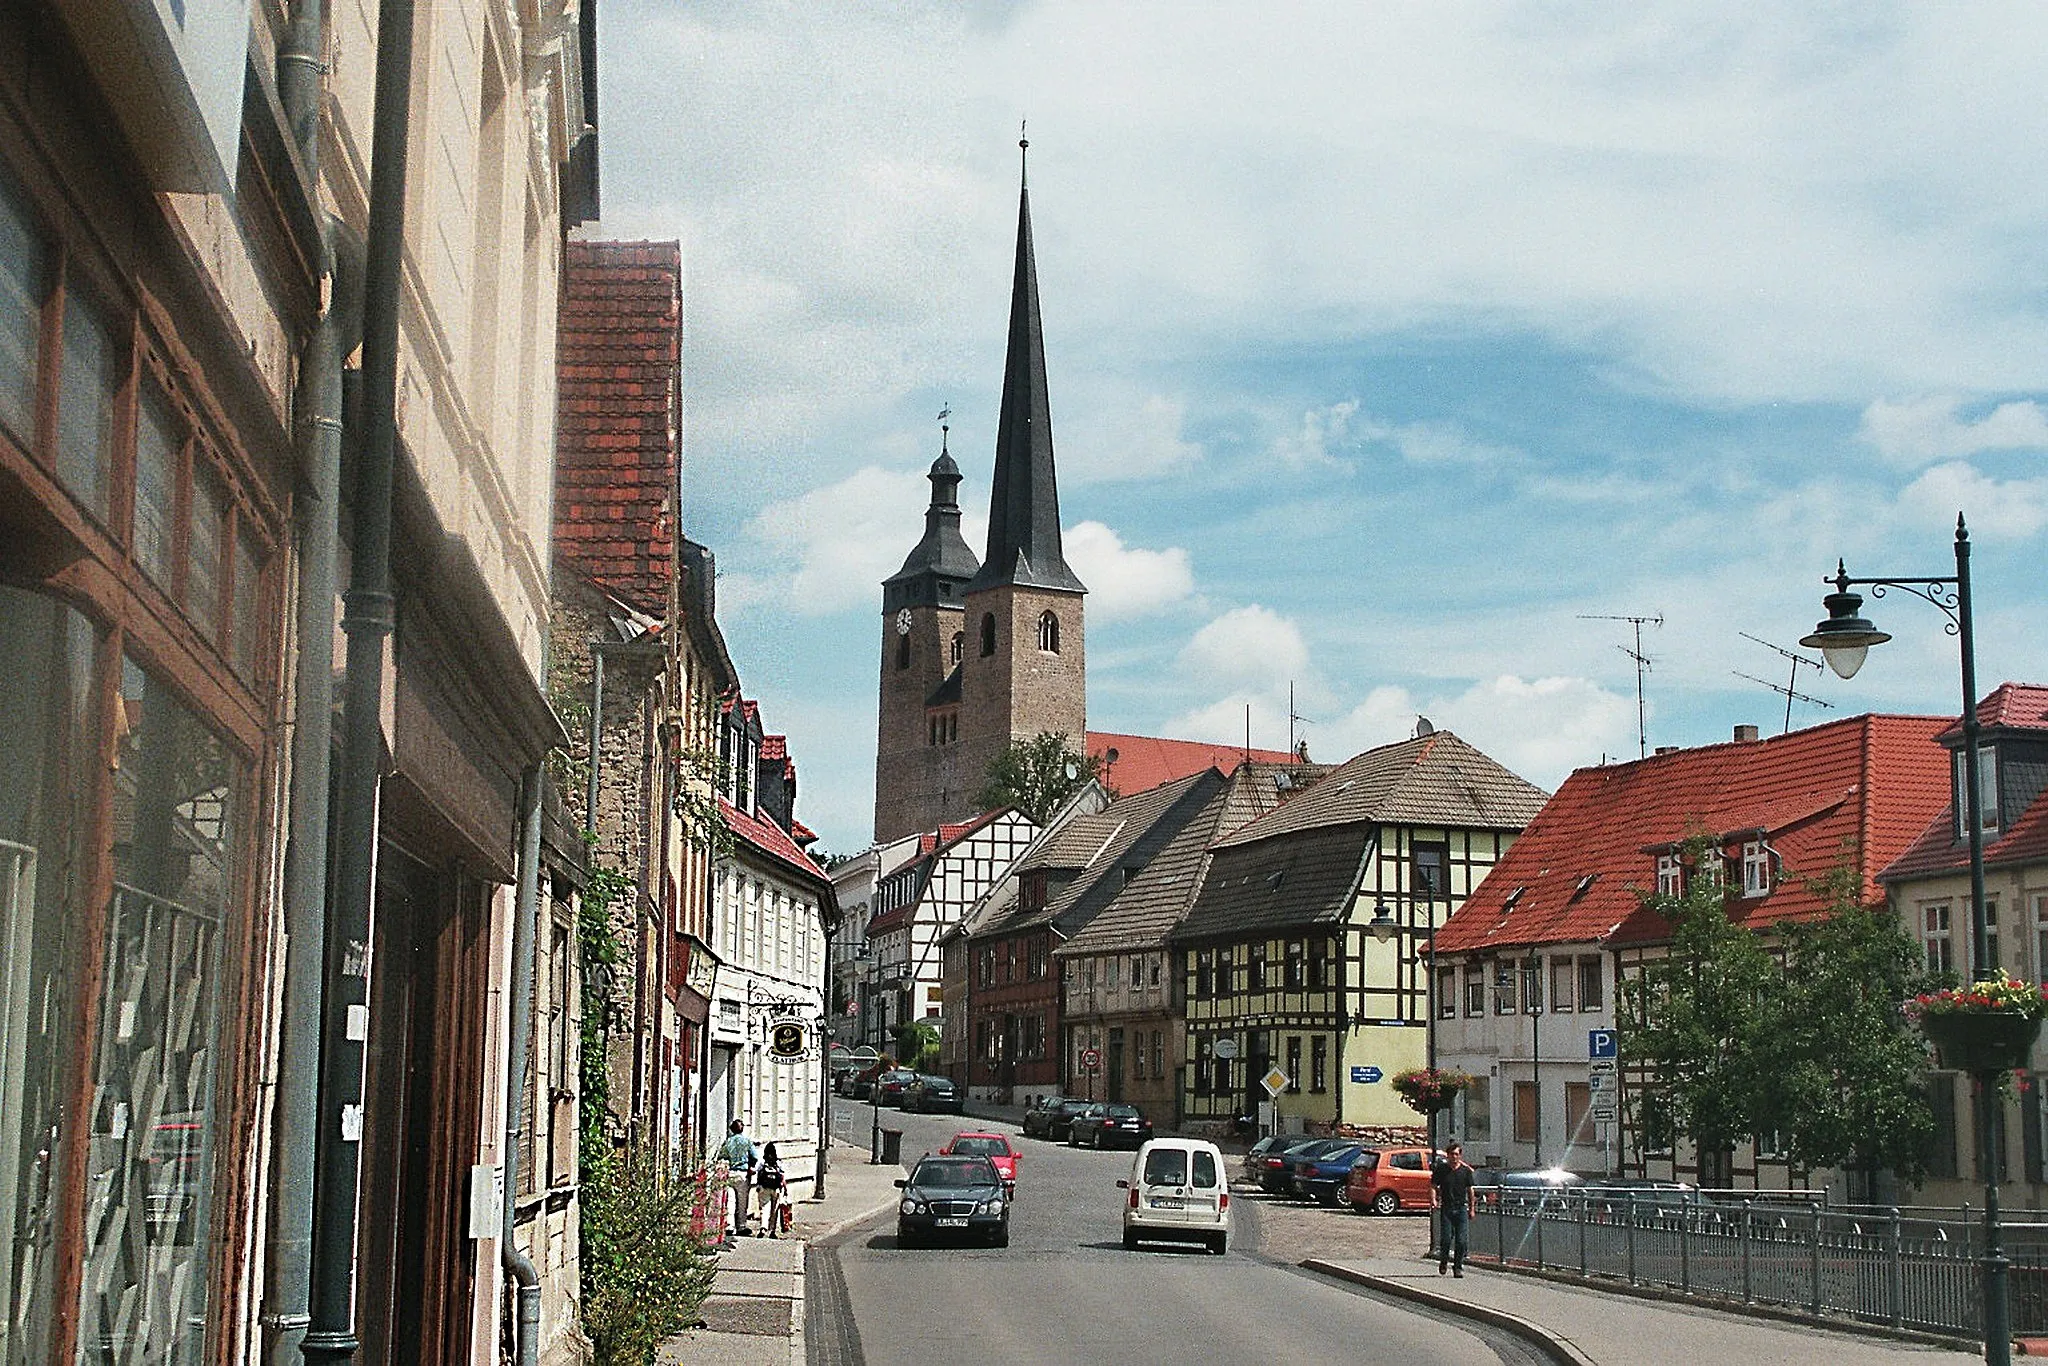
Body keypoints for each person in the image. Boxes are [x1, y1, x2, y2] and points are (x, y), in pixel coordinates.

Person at [1431, 1141, 1477, 1277]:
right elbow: (1433, 1185)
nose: (1454, 1157)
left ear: (1460, 1156)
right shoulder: (1442, 1169)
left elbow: (1470, 1190)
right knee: (1445, 1239)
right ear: (1447, 1155)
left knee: (1461, 1240)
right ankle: (1443, 1261)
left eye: (1456, 1154)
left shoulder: (1465, 1171)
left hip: (1461, 1208)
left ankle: (1458, 1267)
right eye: (1451, 1154)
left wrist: (1472, 1208)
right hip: (1447, 1208)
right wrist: (1433, 1199)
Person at [717, 1119, 757, 1239]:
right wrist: (751, 1166)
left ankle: (729, 1226)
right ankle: (741, 1226)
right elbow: (754, 1156)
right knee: (742, 1201)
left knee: (730, 1201)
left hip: (730, 1172)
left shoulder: (728, 1142)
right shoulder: (747, 1141)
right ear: (742, 1128)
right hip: (743, 1174)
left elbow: (721, 1156)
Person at [755, 1141, 787, 1238]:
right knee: (775, 1209)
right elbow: (782, 1177)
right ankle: (772, 1230)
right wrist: (785, 1189)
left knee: (764, 1208)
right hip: (776, 1188)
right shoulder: (778, 1163)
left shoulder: (762, 1162)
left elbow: (756, 1171)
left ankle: (763, 1228)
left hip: (764, 1188)